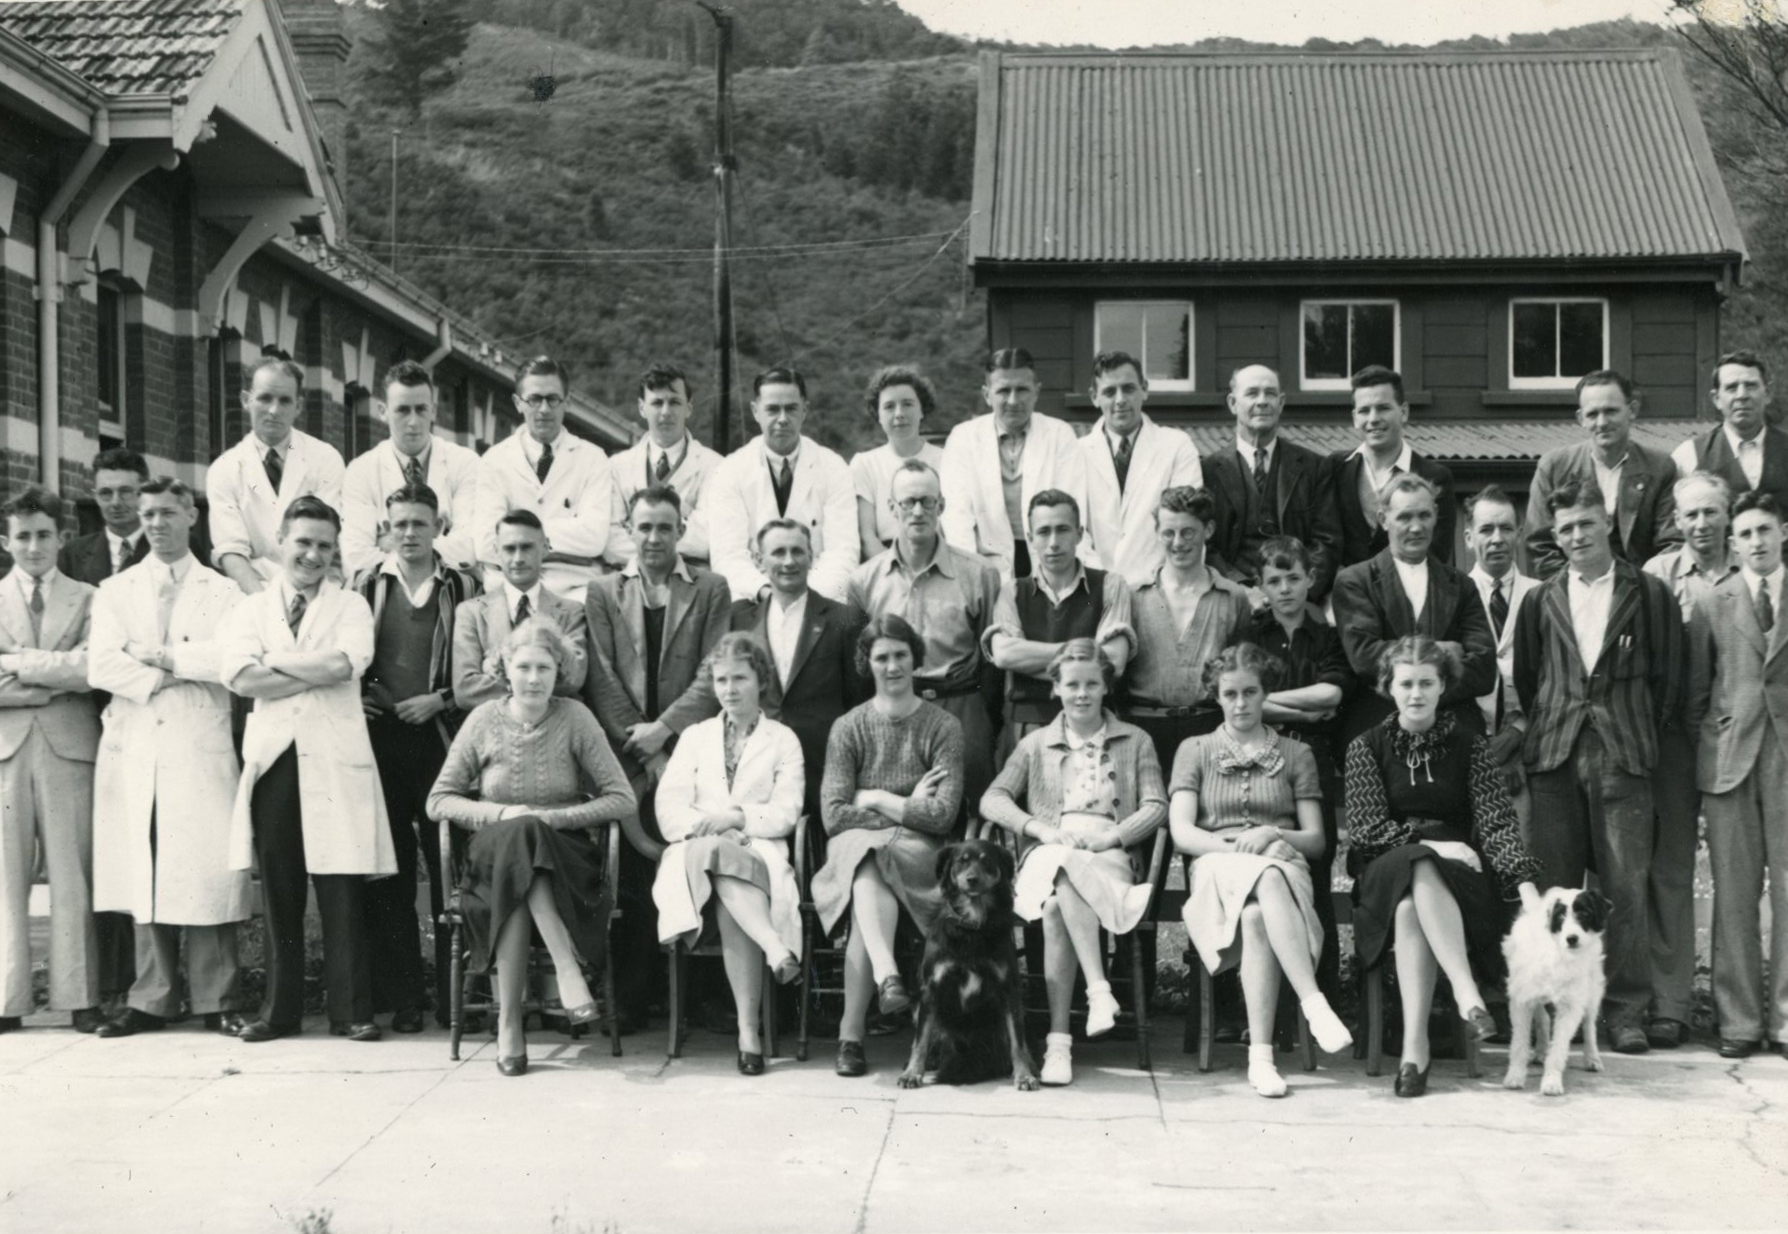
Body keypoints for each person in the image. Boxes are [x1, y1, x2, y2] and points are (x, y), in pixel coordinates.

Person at [1513, 481, 1684, 1055]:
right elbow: (1532, 676)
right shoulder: (1542, 598)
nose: (1577, 536)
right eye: (1565, 529)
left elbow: (1668, 681)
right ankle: (1556, 1006)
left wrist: (1630, 730)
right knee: (1555, 892)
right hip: (1556, 755)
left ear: (1606, 522)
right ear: (1555, 537)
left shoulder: (1650, 593)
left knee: (1624, 888)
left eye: (1586, 524)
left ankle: (1624, 1011)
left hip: (1623, 755)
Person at [218, 496, 396, 1044]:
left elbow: (346, 664)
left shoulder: (352, 607)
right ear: (281, 539)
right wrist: (306, 672)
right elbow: (239, 679)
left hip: (335, 756)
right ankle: (279, 1012)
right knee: (280, 888)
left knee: (340, 886)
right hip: (275, 759)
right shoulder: (250, 609)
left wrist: (272, 661)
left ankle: (351, 1011)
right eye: (304, 542)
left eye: (324, 545)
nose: (313, 555)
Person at [426, 618, 638, 1075]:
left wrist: (549, 818)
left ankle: (509, 1026)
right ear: (504, 667)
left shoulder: (575, 718)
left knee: (527, 844)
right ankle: (567, 968)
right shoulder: (483, 719)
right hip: (494, 853)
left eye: (544, 667)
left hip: (562, 856)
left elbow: (622, 797)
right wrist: (502, 814)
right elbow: (438, 800)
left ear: (559, 670)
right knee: (518, 840)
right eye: (523, 667)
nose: (534, 678)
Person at [1346, 636, 1541, 1097]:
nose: (1416, 694)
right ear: (1388, 688)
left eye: (1426, 683)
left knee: (1412, 907)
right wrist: (1438, 847)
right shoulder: (1366, 747)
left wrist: (1525, 886)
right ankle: (1465, 991)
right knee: (1418, 861)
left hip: (1455, 881)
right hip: (1385, 867)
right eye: (1406, 684)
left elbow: (1496, 823)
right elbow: (1368, 830)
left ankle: (1416, 1050)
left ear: (1443, 687)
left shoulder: (1471, 747)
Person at [88, 478, 249, 1038]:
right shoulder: (114, 591)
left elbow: (229, 659)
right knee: (147, 868)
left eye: (168, 513)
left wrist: (157, 657)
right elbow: (102, 667)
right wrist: (174, 672)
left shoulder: (223, 591)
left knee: (204, 871)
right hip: (138, 745)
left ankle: (216, 996)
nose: (156, 523)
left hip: (198, 745)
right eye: (148, 514)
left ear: (191, 518)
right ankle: (152, 998)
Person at [1169, 643, 1353, 1097]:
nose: (1240, 704)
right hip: (1216, 865)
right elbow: (1182, 833)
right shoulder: (1195, 749)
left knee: (1257, 913)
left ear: (1265, 694)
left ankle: (1262, 1059)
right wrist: (1236, 846)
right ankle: (1313, 1001)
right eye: (1230, 694)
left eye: (1250, 692)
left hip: (1284, 867)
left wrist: (1273, 834)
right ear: (1216, 695)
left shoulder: (1297, 754)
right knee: (1263, 873)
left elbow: (1315, 841)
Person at [980, 640, 1165, 1087]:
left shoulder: (1135, 739)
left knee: (1056, 909)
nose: (1082, 694)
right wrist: (1040, 830)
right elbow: (993, 798)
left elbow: (1156, 805)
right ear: (1055, 689)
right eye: (1072, 685)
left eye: (1091, 684)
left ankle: (1058, 1043)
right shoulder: (1035, 744)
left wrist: (1111, 836)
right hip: (1051, 847)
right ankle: (1099, 990)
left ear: (1106, 688)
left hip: (1107, 852)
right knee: (1061, 863)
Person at [584, 485, 731, 1029]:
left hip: (692, 752)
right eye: (643, 527)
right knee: (632, 873)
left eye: (664, 527)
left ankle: (699, 997)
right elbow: (599, 675)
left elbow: (713, 673)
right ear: (628, 528)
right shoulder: (602, 591)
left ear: (680, 530)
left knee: (694, 865)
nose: (653, 537)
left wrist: (668, 733)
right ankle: (629, 997)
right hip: (627, 757)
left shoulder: (712, 588)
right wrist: (646, 752)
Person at [353, 483, 482, 1033]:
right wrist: (358, 694)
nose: (409, 534)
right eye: (399, 524)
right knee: (393, 875)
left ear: (438, 526)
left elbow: (484, 663)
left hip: (443, 740)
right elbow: (346, 652)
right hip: (382, 740)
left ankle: (456, 997)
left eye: (419, 524)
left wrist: (442, 699)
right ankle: (405, 996)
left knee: (452, 866)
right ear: (387, 528)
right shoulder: (365, 584)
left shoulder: (465, 585)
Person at [812, 614, 964, 1078]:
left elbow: (942, 815)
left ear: (915, 659)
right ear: (867, 663)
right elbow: (834, 814)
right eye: (882, 657)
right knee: (865, 857)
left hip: (919, 850)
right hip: (858, 845)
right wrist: (906, 804)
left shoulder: (943, 727)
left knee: (868, 870)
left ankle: (851, 1035)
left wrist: (876, 797)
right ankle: (886, 976)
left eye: (901, 655)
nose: (893, 666)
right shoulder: (849, 727)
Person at [653, 633, 804, 1075]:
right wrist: (710, 830)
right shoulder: (695, 737)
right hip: (695, 852)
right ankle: (774, 952)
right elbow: (669, 808)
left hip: (756, 850)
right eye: (721, 679)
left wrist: (736, 819)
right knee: (719, 860)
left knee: (731, 891)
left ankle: (747, 1034)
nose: (730, 689)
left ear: (761, 680)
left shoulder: (783, 739)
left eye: (740, 678)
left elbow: (787, 812)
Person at [1686, 492, 1788, 1060]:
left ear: (1783, 532)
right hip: (1730, 761)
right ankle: (1740, 1022)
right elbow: (1699, 688)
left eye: (1765, 530)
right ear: (1734, 541)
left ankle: (1786, 1021)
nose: (1756, 541)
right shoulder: (1714, 600)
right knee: (1735, 895)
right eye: (1745, 533)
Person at [848, 460, 1002, 824]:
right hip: (894, 713)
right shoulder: (863, 582)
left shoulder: (979, 574)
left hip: (961, 707)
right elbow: (859, 663)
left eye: (927, 502)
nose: (918, 511)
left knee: (971, 820)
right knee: (902, 817)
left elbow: (992, 661)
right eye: (908, 502)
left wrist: (984, 718)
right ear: (891, 509)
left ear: (941, 506)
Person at [1643, 470, 1740, 1049]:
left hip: (1740, 741)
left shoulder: (1753, 570)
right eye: (1690, 515)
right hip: (1676, 744)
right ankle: (1671, 1004)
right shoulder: (1657, 576)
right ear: (1675, 522)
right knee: (1672, 872)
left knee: (1736, 876)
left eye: (1711, 512)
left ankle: (1739, 1009)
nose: (1701, 524)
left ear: (1727, 514)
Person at [0, 489, 101, 1033]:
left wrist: (13, 666)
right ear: (5, 542)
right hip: (6, 750)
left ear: (61, 537)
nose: (33, 546)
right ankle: (6, 998)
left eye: (43, 534)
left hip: (69, 748)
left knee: (72, 875)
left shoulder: (89, 598)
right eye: (22, 536)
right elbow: (65, 672)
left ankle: (78, 995)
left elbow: (90, 669)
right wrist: (44, 684)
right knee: (4, 877)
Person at [58, 446, 153, 1012]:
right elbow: (70, 648)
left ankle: (158, 982)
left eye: (128, 491)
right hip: (89, 721)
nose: (118, 503)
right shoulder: (75, 556)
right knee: (109, 856)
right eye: (107, 492)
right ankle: (113, 985)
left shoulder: (175, 547)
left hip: (153, 718)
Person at [1244, 535, 1349, 999]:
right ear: (1261, 586)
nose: (1284, 588)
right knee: (1257, 869)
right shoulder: (1251, 637)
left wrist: (1264, 702)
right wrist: (1298, 709)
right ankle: (1257, 998)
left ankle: (1320, 991)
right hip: (1258, 763)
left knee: (1315, 870)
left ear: (1310, 579)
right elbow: (1238, 703)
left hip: (1312, 763)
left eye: (1293, 578)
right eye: (1274, 581)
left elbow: (1331, 697)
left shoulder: (1328, 636)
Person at [1332, 472, 1496, 744]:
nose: (1417, 527)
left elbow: (1484, 669)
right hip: (1380, 734)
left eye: (1424, 515)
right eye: (1405, 517)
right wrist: (1442, 651)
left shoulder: (1461, 585)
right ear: (1384, 520)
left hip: (1455, 734)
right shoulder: (1356, 581)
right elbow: (1364, 657)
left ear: (1435, 515)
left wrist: (1406, 664)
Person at [726, 518, 869, 820]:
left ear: (812, 556)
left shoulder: (846, 618)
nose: (788, 561)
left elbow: (860, 701)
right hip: (760, 773)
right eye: (778, 552)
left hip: (824, 768)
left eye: (797, 552)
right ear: (759, 560)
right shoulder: (740, 620)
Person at [985, 490, 1134, 743]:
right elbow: (1004, 654)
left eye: (1062, 529)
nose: (1053, 542)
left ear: (1079, 533)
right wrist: (1088, 655)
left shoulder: (1110, 585)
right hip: (1028, 727)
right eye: (1044, 532)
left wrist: (1031, 657)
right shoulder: (1012, 591)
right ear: (1031, 538)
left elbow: (1114, 660)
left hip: (1094, 726)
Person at [1123, 486, 1253, 774]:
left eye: (1188, 532)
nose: (1178, 542)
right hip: (1144, 728)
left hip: (1209, 729)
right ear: (1157, 532)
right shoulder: (1133, 595)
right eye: (1168, 533)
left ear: (1208, 530)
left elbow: (1239, 671)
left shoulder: (1233, 597)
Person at [474, 355, 624, 603]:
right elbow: (485, 543)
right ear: (518, 403)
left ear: (568, 402)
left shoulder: (593, 458)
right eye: (534, 399)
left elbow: (594, 538)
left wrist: (517, 535)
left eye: (553, 399)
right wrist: (563, 532)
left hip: (575, 589)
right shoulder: (494, 460)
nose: (544, 409)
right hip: (508, 588)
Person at [704, 366, 858, 602]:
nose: (783, 419)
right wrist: (767, 593)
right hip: (754, 596)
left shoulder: (833, 466)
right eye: (773, 409)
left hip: (819, 595)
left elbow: (843, 551)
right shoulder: (730, 470)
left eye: (791, 408)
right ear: (756, 411)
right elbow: (728, 555)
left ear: (805, 409)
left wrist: (806, 599)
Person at [939, 347, 1092, 583]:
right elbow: (957, 518)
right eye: (1003, 391)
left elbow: (1071, 509)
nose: (1013, 400)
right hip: (986, 562)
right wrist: (971, 580)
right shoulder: (963, 438)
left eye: (1022, 390)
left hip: (1050, 556)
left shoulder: (1059, 434)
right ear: (987, 394)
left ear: (1036, 392)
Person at [1201, 364, 1341, 604]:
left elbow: (1326, 543)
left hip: (1299, 605)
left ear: (1282, 402)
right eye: (1252, 393)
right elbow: (1207, 546)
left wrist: (1297, 592)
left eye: (1270, 393)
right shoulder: (1208, 471)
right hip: (1233, 602)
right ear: (1233, 403)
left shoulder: (1314, 467)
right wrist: (1241, 592)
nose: (1263, 401)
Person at [207, 357, 346, 594]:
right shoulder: (224, 469)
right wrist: (266, 607)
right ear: (245, 400)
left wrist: (309, 602)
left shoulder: (325, 458)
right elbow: (231, 550)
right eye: (265, 398)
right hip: (252, 595)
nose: (274, 410)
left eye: (284, 401)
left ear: (298, 406)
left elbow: (329, 538)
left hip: (317, 591)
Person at [1525, 370, 1681, 580]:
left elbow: (1671, 543)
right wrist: (1576, 588)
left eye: (1610, 411)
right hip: (1572, 591)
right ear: (1581, 418)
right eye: (1592, 414)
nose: (1601, 422)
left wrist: (1644, 588)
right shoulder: (1554, 467)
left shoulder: (1659, 467)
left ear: (1632, 410)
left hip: (1641, 589)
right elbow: (1539, 546)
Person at [340, 360, 487, 578]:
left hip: (450, 591)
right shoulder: (361, 470)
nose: (413, 421)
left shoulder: (465, 463)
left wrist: (389, 544)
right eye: (402, 410)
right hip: (384, 594)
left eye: (421, 410)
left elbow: (468, 549)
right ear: (383, 411)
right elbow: (355, 558)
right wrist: (436, 544)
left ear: (434, 411)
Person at [1078, 350, 1204, 586]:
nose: (1120, 400)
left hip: (1161, 588)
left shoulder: (1176, 446)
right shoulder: (1076, 452)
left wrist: (1153, 584)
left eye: (1128, 388)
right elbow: (1075, 531)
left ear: (1144, 389)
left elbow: (1185, 523)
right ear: (1094, 397)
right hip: (1095, 589)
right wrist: (1105, 583)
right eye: (1109, 392)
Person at [452, 510, 587, 712]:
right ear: (496, 551)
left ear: (545, 547)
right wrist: (540, 678)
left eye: (527, 547)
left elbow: (573, 679)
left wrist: (495, 676)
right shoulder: (470, 613)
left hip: (554, 727)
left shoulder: (571, 612)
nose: (518, 558)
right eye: (509, 549)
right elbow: (466, 690)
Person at [1327, 365, 1456, 569]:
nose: (1373, 419)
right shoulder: (1334, 468)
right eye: (1364, 411)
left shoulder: (1434, 477)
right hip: (1346, 595)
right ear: (1354, 418)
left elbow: (1435, 554)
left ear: (1403, 412)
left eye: (1383, 408)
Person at [1463, 487, 1540, 821]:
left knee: (1526, 852)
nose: (1496, 539)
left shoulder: (1541, 595)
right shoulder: (1452, 596)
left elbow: (1550, 679)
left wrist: (1517, 733)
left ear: (1519, 534)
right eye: (1486, 529)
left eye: (1506, 528)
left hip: (1531, 746)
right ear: (1468, 537)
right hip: (1468, 749)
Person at [607, 363, 722, 569]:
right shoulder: (617, 466)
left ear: (689, 408)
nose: (666, 412)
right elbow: (611, 542)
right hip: (629, 574)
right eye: (657, 403)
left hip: (692, 576)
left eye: (675, 402)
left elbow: (706, 541)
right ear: (642, 408)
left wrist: (637, 531)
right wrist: (683, 527)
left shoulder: (714, 466)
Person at [851, 365, 947, 559]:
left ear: (922, 409)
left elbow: (953, 526)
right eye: (889, 406)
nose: (899, 413)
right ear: (877, 415)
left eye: (907, 404)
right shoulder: (864, 464)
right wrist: (894, 575)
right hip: (883, 562)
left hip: (940, 558)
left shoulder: (947, 459)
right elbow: (866, 536)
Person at [1672, 351, 1788, 509]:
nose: (1742, 395)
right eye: (1731, 388)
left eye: (1751, 385)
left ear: (1767, 393)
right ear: (1717, 399)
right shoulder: (1688, 456)